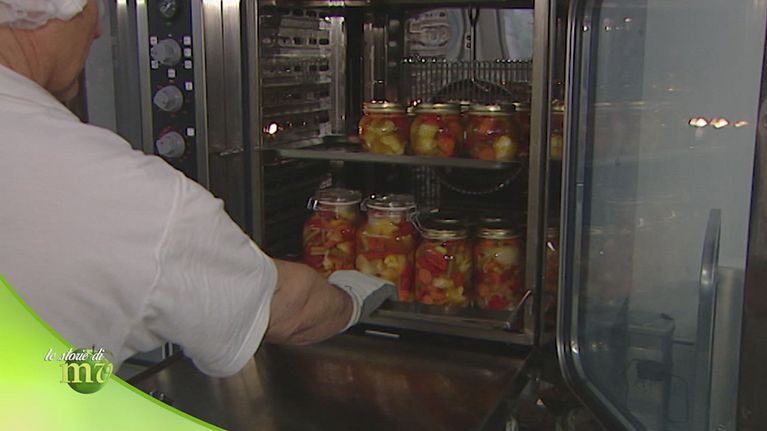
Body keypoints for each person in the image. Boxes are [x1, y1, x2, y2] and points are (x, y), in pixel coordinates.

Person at [0, 0, 395, 377]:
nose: (100, 30)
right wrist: (356, 293)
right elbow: (289, 310)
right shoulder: (121, 192)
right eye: (91, 7)